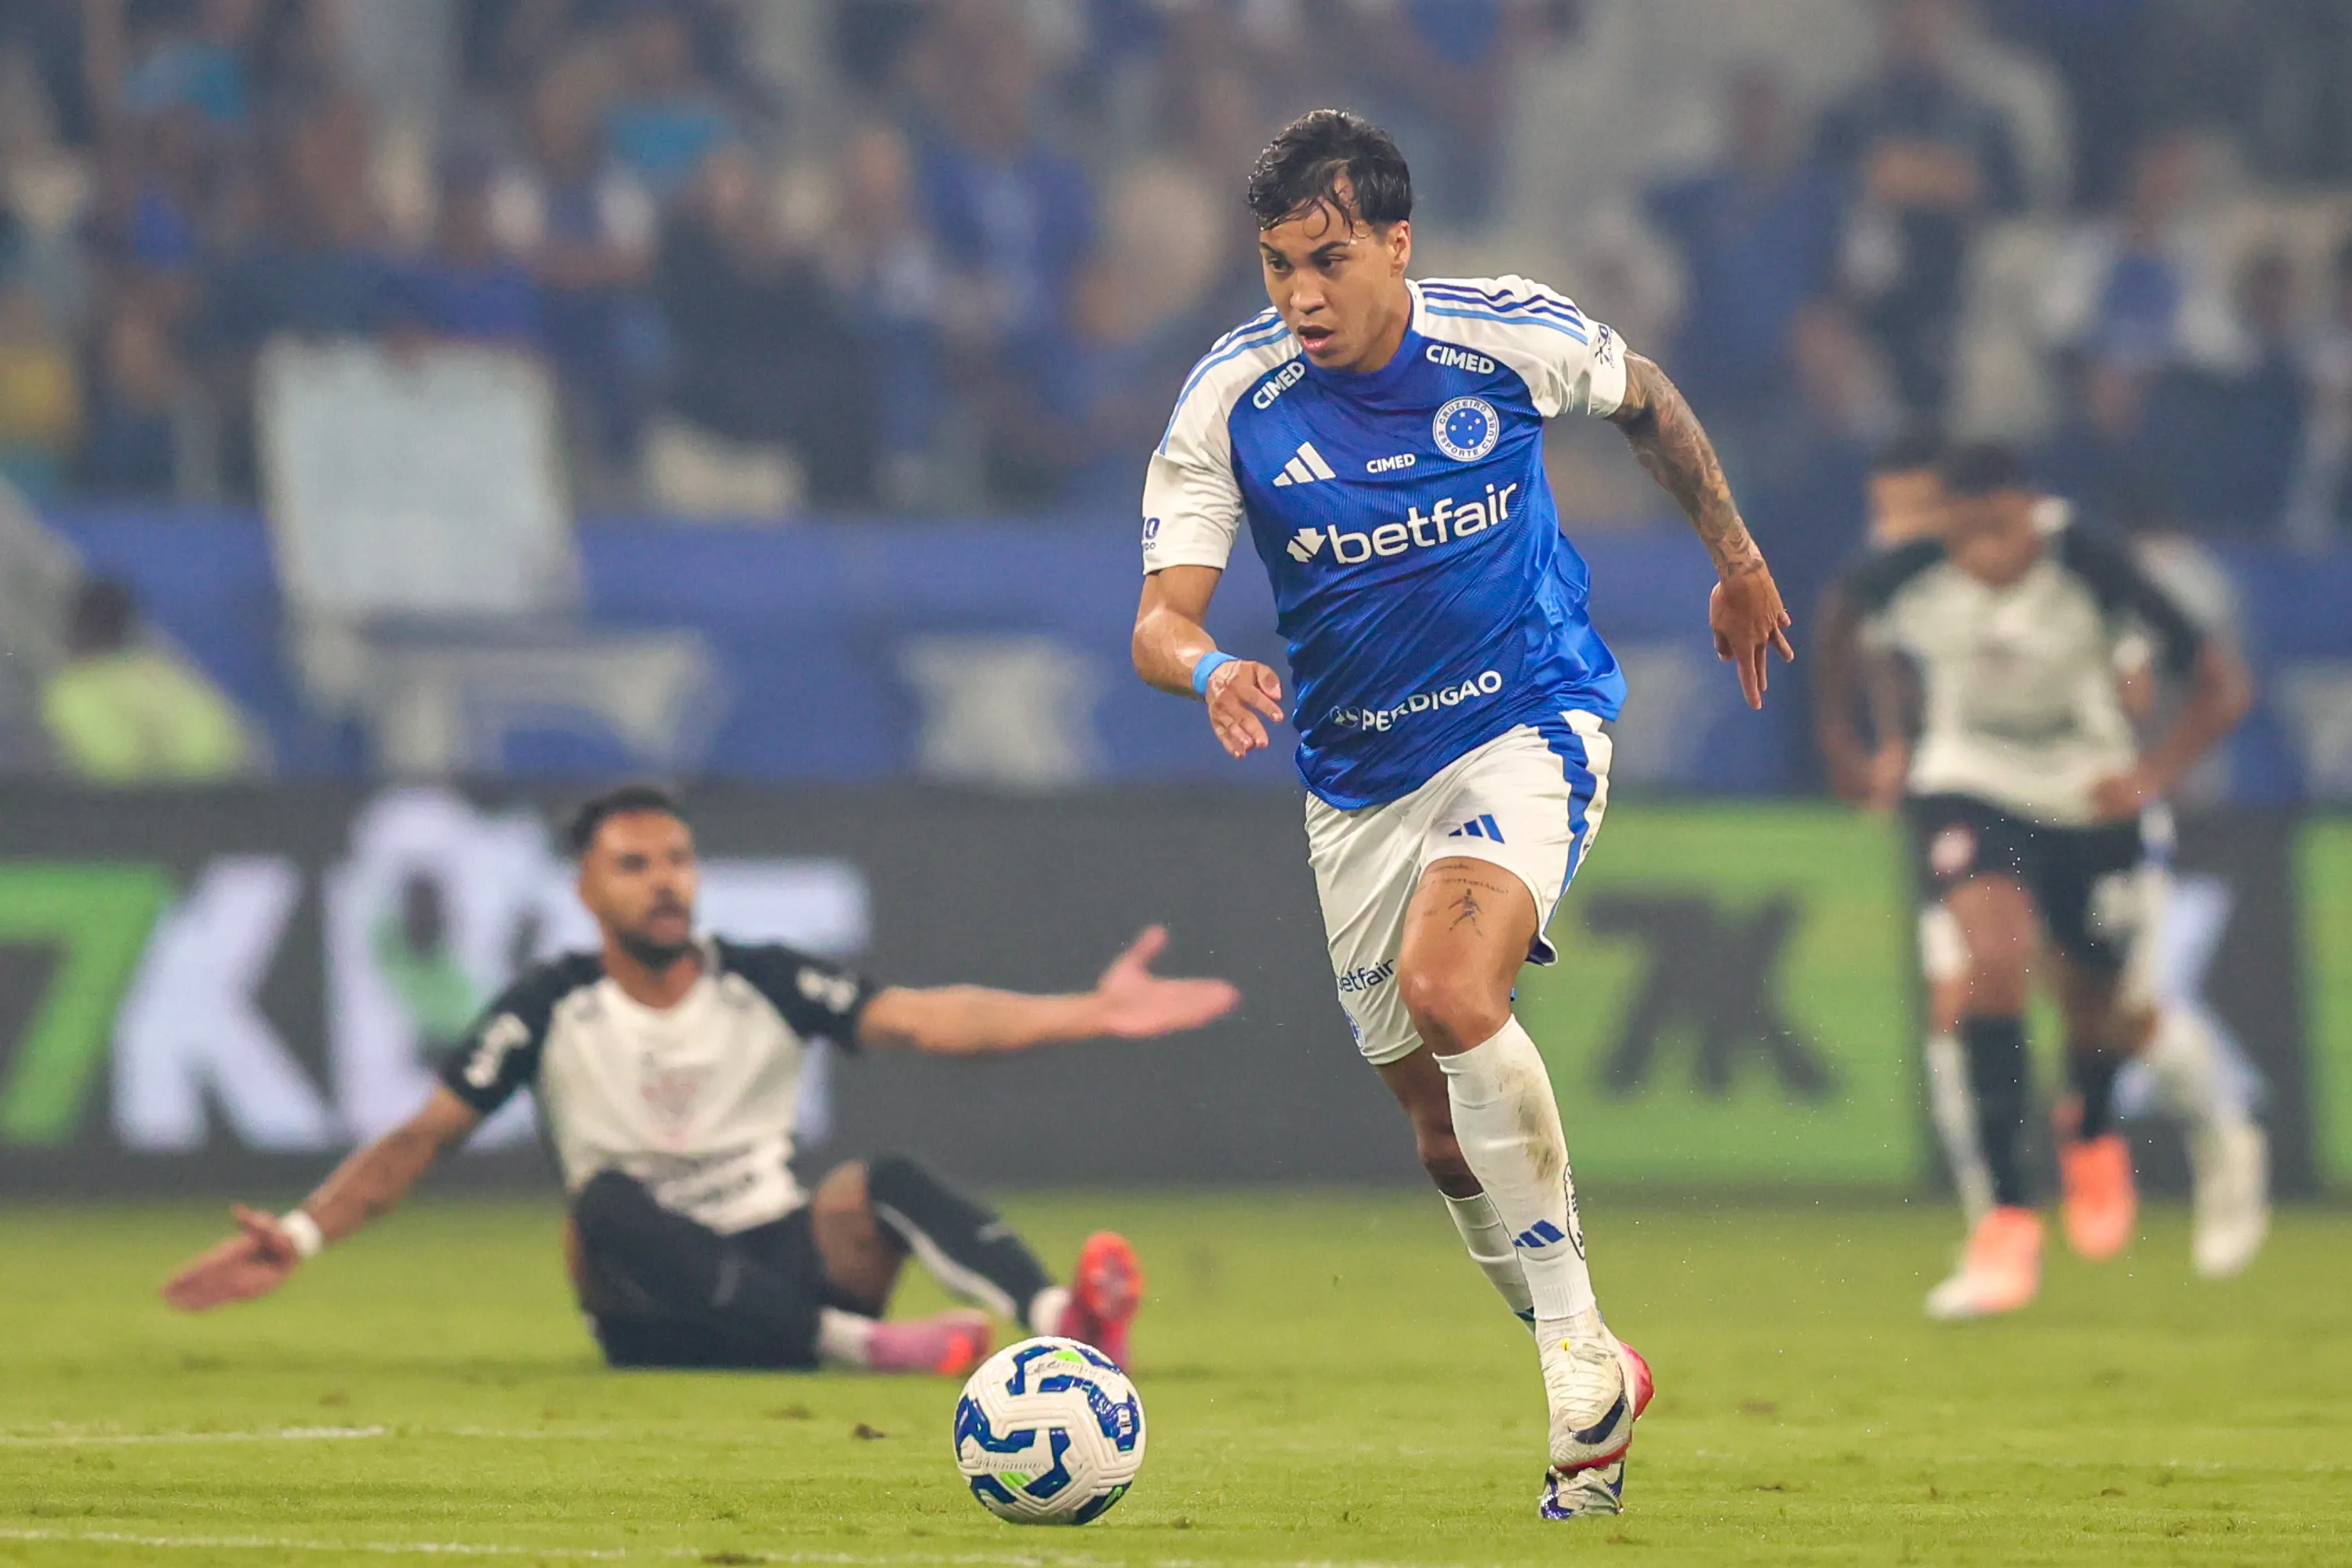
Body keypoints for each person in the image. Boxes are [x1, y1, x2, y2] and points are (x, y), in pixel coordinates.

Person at [1129, 111, 1794, 1521]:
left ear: (1394, 244)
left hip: (1527, 719)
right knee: (1440, 1140)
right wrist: (1213, 667)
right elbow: (1156, 623)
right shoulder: (1230, 400)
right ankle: (1596, 1352)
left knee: (1450, 985)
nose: (1300, 296)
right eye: (1274, 267)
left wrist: (1733, 557)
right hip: (1358, 785)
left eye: (1326, 260)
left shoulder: (1505, 337)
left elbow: (1649, 400)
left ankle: (1572, 1364)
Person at [162, 784, 1240, 1375]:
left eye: (677, 859)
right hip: (648, 1302)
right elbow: (421, 1139)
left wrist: (1090, 1010)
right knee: (605, 1205)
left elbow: (929, 1018)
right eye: (635, 865)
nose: (666, 882)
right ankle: (865, 1351)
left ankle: (1063, 1321)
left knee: (887, 1178)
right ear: (587, 890)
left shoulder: (763, 978)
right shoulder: (551, 1005)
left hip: (776, 1248)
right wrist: (298, 1237)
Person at [1837, 443, 2264, 1320]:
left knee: (2104, 1015)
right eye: (1962, 535)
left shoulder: (2093, 565)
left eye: (1997, 530)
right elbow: (1842, 625)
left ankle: (2137, 1132)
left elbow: (2215, 681)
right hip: (1970, 782)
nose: (1980, 554)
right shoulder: (1912, 572)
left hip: (2088, 795)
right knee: (1984, 967)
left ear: (2032, 511)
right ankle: (2003, 1221)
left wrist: (2152, 772)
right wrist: (1866, 745)